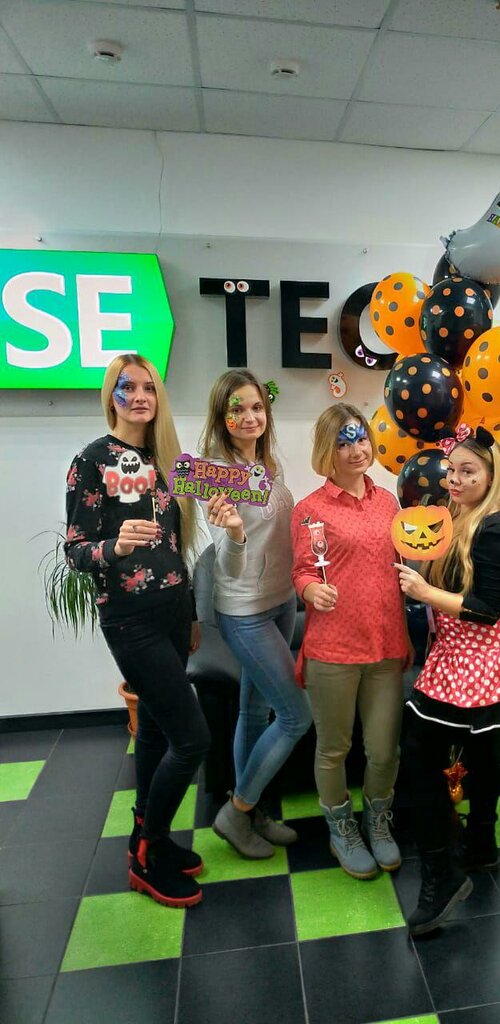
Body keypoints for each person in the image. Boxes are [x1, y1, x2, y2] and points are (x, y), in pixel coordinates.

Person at [64, 354, 209, 909]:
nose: (140, 397)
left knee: (152, 730)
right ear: (112, 396)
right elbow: (76, 551)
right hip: (130, 619)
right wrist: (116, 546)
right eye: (128, 388)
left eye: (149, 387)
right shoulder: (91, 461)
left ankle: (148, 838)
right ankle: (148, 855)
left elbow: (179, 545)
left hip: (172, 612)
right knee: (192, 740)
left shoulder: (167, 459)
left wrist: (190, 613)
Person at [396, 424, 500, 936]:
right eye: (451, 470)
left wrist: (424, 593)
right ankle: (481, 845)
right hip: (454, 652)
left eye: (468, 471)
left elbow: (486, 609)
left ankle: (442, 875)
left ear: (491, 476)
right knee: (481, 750)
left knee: (419, 752)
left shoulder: (494, 528)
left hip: (477, 656)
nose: (454, 479)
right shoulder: (454, 518)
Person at [291, 404, 411, 880]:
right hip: (333, 651)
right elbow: (302, 570)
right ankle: (341, 828)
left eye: (361, 439)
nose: (357, 450)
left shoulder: (389, 504)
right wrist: (309, 590)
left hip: (386, 646)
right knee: (334, 749)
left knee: (384, 750)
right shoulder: (310, 510)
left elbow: (405, 563)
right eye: (344, 442)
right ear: (328, 449)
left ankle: (377, 821)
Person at [199, 370, 312, 858]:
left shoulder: (265, 464)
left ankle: (252, 808)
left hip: (281, 599)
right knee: (295, 715)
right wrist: (233, 534)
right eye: (237, 409)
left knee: (254, 710)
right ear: (221, 416)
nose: (250, 417)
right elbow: (226, 566)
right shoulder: (214, 474)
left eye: (257, 408)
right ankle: (237, 810)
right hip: (244, 610)